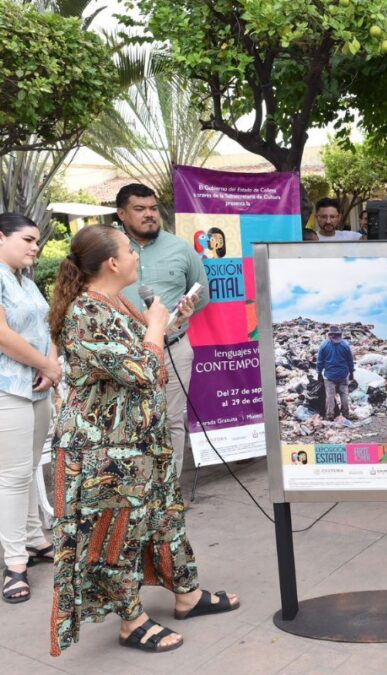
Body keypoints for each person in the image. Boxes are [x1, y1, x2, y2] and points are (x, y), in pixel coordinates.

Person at [47, 224, 238, 655]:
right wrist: (154, 322)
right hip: (107, 450)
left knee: (163, 518)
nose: (137, 257)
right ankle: (131, 621)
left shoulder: (112, 302)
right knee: (120, 533)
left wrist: (169, 325)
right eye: (130, 252)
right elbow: (141, 371)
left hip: (141, 441)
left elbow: (139, 355)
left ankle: (185, 593)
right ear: (113, 262)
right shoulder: (85, 313)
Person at [115, 184, 208, 478]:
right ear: (121, 213)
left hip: (173, 350)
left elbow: (201, 294)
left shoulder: (180, 247)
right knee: (126, 422)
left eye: (153, 208)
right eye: (139, 209)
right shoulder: (106, 247)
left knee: (170, 422)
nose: (149, 215)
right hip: (121, 354)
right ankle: (134, 494)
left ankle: (168, 495)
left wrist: (185, 310)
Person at [0, 214, 60, 605]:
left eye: (37, 241)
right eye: (27, 240)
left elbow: (48, 326)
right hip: (9, 389)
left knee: (32, 465)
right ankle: (14, 564)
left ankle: (36, 541)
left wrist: (51, 365)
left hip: (39, 387)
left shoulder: (25, 280)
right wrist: (45, 365)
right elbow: (3, 335)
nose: (34, 248)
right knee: (13, 476)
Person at [316, 325, 354, 426]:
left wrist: (319, 373)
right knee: (344, 395)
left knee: (330, 396)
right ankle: (346, 414)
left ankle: (329, 416)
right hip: (343, 374)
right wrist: (351, 373)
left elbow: (320, 361)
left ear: (329, 335)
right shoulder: (345, 345)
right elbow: (350, 361)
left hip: (329, 376)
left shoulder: (324, 345)